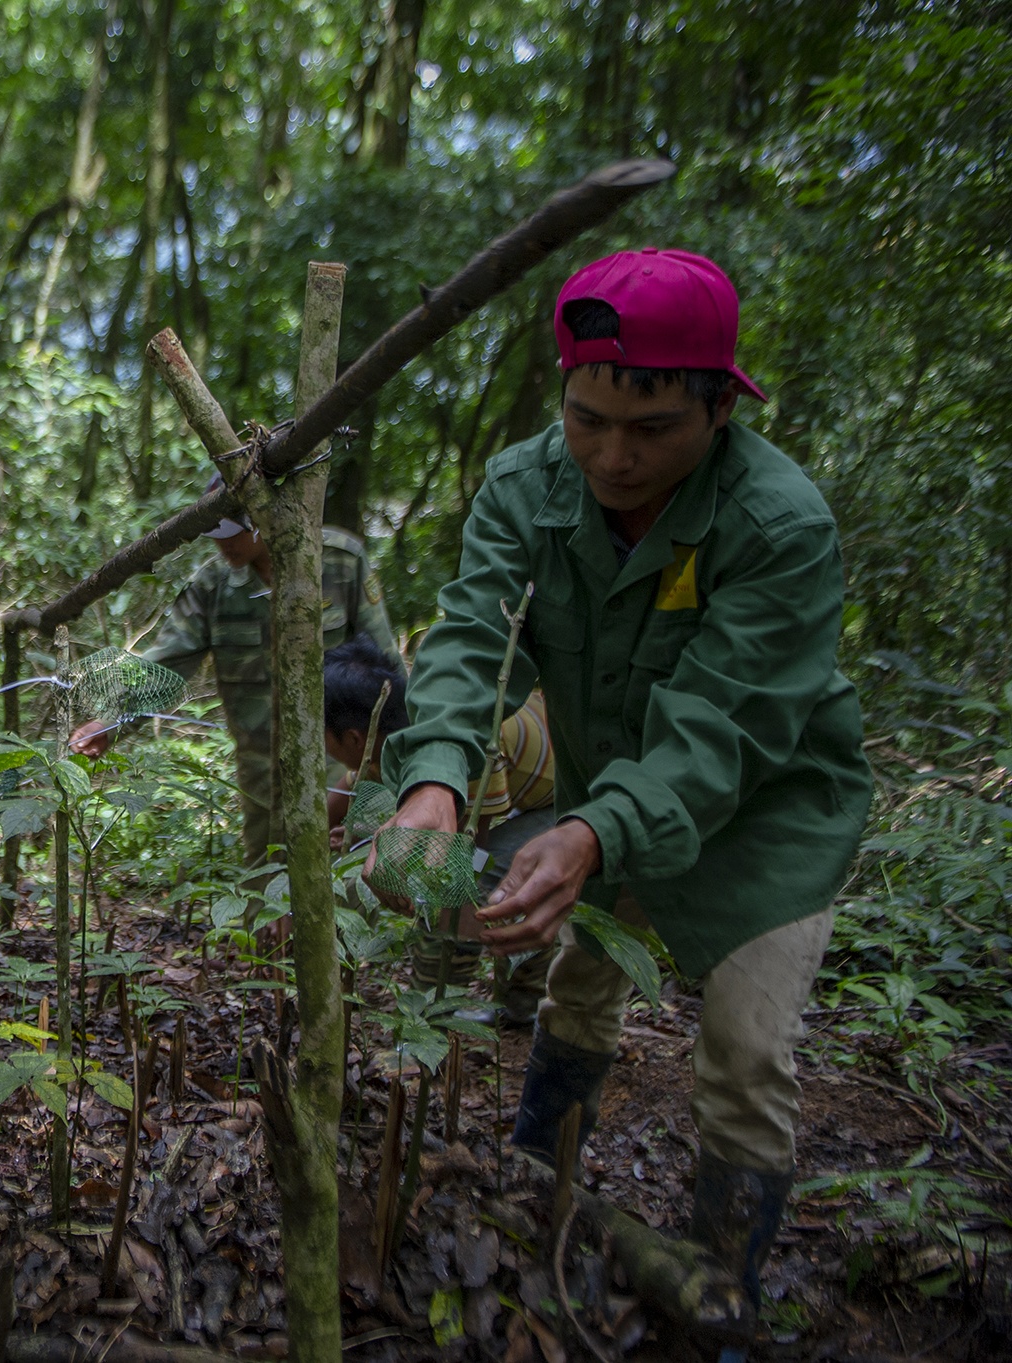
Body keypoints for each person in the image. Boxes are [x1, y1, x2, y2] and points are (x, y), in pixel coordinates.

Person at [372, 248, 873, 1309]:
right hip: (606, 795)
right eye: (585, 418)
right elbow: (469, 638)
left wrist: (596, 831)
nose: (611, 455)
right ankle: (533, 1175)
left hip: (765, 817)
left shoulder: (778, 523)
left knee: (743, 1049)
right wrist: (432, 783)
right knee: (578, 984)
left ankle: (718, 1286)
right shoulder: (523, 485)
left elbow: (722, 724)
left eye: (650, 430)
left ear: (718, 410)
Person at [73, 472, 399, 865]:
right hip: (260, 763)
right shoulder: (212, 587)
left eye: (231, 530)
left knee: (337, 863)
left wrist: (399, 754)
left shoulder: (339, 562)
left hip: (336, 755)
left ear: (266, 516)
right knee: (265, 866)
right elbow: (169, 660)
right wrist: (113, 722)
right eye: (213, 531)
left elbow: (385, 665)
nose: (221, 542)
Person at [322, 635, 557, 1024]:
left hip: (556, 800)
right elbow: (347, 790)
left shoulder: (472, 746)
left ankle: (445, 1013)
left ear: (353, 738)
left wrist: (389, 847)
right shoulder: (383, 735)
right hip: (515, 792)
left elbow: (468, 848)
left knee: (465, 889)